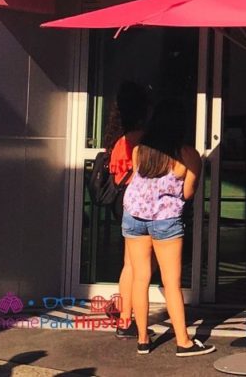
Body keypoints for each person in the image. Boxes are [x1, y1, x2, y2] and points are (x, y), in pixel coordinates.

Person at [121, 99, 214, 357]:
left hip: (134, 215)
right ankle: (183, 341)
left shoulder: (140, 150)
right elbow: (187, 193)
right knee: (171, 283)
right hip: (165, 220)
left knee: (140, 278)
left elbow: (138, 179)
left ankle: (142, 339)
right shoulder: (187, 154)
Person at [103, 82, 152, 340]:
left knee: (128, 264)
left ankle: (124, 318)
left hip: (121, 204)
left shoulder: (117, 139)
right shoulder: (140, 138)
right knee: (137, 265)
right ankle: (126, 320)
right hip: (137, 205)